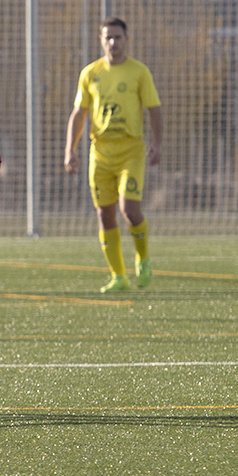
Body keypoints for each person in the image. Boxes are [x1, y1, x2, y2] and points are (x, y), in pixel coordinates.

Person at [65, 17, 163, 293]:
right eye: (108, 37)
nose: (113, 42)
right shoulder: (90, 73)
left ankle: (142, 257)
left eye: (118, 37)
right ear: (101, 40)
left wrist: (157, 143)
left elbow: (154, 109)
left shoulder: (139, 72)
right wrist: (69, 150)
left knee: (129, 210)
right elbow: (79, 113)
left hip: (131, 150)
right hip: (100, 153)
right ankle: (118, 275)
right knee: (104, 214)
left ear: (127, 39)